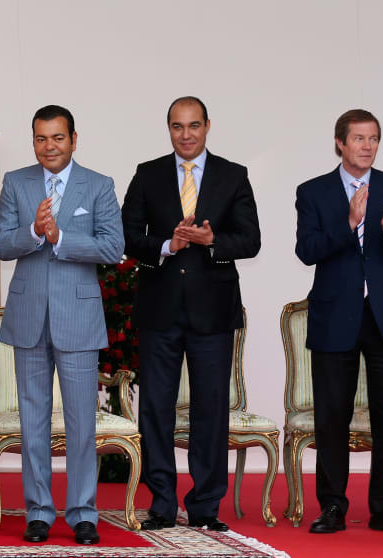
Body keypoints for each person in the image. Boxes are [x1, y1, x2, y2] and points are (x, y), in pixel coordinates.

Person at [122, 96, 260, 532]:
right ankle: (162, 502)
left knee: (211, 410)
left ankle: (204, 506)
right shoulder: (147, 174)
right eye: (178, 126)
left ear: (207, 127)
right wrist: (169, 244)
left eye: (194, 125)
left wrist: (211, 240)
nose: (186, 135)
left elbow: (251, 240)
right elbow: (128, 236)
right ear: (169, 129)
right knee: (155, 409)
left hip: (213, 312)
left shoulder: (233, 175)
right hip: (159, 310)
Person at [0, 105, 124, 544]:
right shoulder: (16, 182)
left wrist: (61, 238)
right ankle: (38, 512)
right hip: (29, 316)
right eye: (41, 138)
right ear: (33, 140)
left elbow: (113, 247)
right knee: (32, 420)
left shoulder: (99, 185)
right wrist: (33, 231)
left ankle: (84, 513)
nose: (49, 146)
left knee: (81, 422)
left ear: (73, 139)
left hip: (79, 319)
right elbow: (1, 245)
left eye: (57, 137)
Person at [296, 109, 383, 535]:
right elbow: (307, 250)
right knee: (332, 416)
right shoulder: (313, 191)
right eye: (359, 138)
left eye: (373, 139)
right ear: (340, 143)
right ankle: (332, 506)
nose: (367, 146)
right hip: (335, 316)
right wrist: (349, 223)